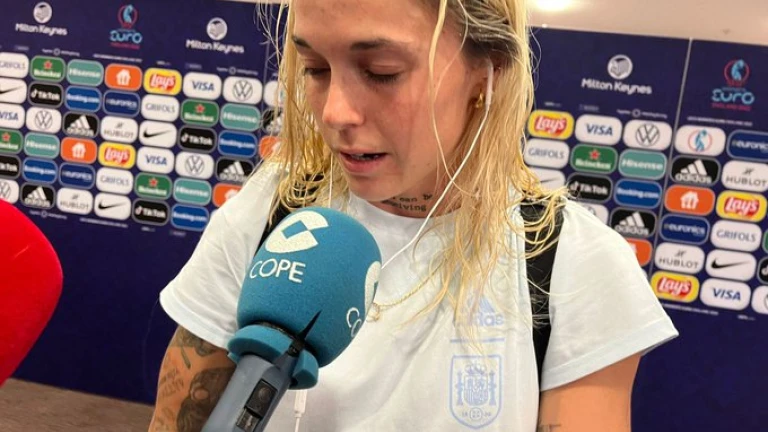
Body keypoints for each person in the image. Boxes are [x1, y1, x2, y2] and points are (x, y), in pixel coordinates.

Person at [148, 0, 678, 430]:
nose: (335, 112)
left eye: (382, 72)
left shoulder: (575, 263)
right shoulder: (270, 211)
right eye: (315, 69)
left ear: (488, 70)